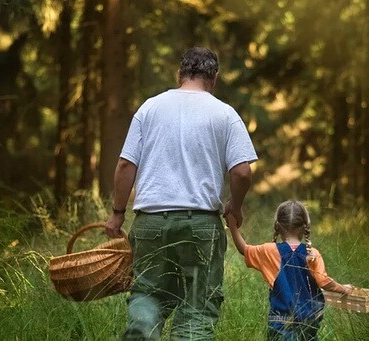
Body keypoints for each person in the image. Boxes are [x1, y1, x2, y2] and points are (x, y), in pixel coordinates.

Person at [104, 46, 258, 340]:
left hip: (149, 223)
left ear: (180, 75)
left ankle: (142, 330)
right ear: (214, 79)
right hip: (200, 225)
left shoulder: (149, 108)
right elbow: (241, 172)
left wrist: (117, 213)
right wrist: (235, 207)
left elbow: (125, 164)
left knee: (148, 295)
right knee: (197, 308)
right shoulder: (225, 114)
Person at [226, 200, 353, 341]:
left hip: (281, 322)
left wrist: (232, 225)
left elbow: (244, 249)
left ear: (277, 227)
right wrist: (343, 289)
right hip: (309, 321)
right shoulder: (312, 254)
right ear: (305, 227)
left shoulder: (270, 251)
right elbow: (324, 282)